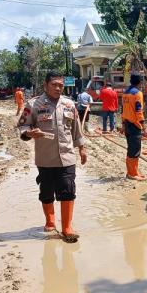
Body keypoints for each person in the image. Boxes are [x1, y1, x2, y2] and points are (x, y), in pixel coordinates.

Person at [18, 72, 87, 242]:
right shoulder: (34, 104)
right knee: (46, 192)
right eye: (54, 84)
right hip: (45, 158)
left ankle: (67, 227)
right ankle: (50, 221)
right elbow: (22, 125)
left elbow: (76, 129)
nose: (58, 88)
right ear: (45, 85)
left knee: (68, 190)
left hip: (67, 156)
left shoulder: (69, 105)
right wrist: (28, 133)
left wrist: (82, 149)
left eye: (60, 85)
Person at [121, 73, 147, 181]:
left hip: (127, 125)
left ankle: (133, 172)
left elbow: (123, 110)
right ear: (140, 82)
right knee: (135, 150)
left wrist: (123, 125)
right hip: (134, 125)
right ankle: (132, 174)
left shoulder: (125, 93)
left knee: (131, 149)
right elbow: (139, 112)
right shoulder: (138, 94)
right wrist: (145, 127)